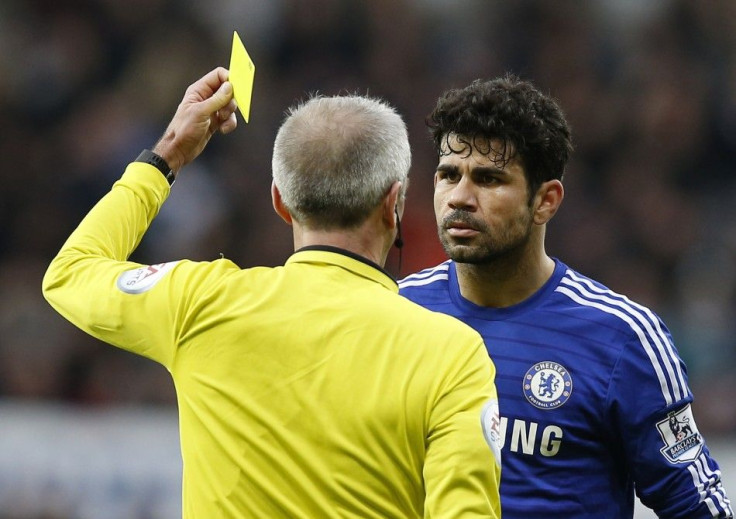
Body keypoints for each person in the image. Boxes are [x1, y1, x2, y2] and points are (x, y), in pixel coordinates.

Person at [42, 67, 502, 518]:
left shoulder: (201, 302)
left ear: (280, 201)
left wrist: (169, 156)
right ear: (394, 203)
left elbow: (70, 274)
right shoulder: (453, 355)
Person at [399, 75, 733, 518]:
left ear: (546, 201)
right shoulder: (396, 313)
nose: (460, 197)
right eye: (448, 175)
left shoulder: (623, 338)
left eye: (489, 179)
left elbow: (699, 508)